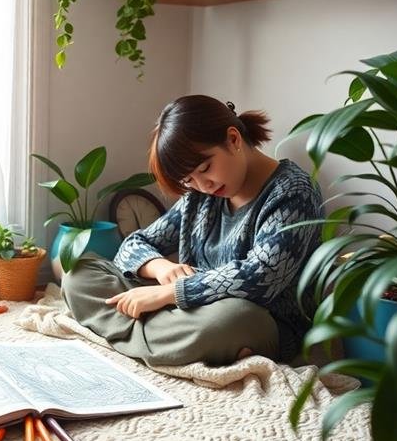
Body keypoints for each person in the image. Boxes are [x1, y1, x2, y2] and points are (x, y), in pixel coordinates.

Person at [61, 95, 323, 366]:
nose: (203, 185)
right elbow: (133, 244)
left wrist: (169, 294)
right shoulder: (199, 195)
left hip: (256, 319)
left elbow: (261, 276)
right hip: (190, 312)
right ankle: (167, 343)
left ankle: (139, 334)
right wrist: (159, 267)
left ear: (233, 139)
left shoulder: (293, 191)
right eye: (188, 180)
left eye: (205, 168)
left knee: (231, 320)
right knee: (79, 275)